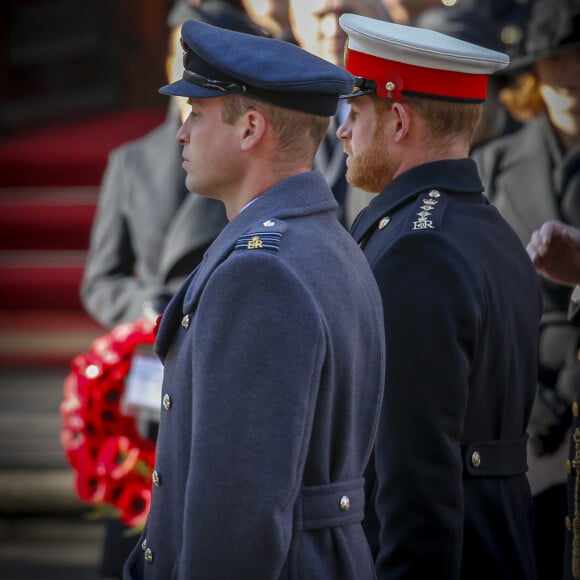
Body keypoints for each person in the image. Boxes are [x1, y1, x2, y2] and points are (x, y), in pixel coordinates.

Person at [122, 18, 386, 579]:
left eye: (196, 113)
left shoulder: (258, 275)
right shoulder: (328, 240)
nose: (181, 133)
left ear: (250, 130)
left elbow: (235, 519)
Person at [336, 13, 542, 579]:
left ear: (398, 120)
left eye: (355, 112)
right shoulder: (488, 229)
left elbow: (414, 484)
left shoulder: (413, 252)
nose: (342, 131)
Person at [80, 2, 268, 578]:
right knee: (141, 513)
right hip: (147, 363)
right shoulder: (131, 161)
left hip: (224, 350)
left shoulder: (244, 157)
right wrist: (143, 312)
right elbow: (100, 276)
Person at [472, 1, 580, 576]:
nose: (574, 81)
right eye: (561, 64)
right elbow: (478, 294)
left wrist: (568, 394)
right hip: (516, 404)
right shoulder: (491, 165)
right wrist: (529, 399)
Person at [287, 0, 384, 226]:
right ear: (294, 22)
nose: (333, 31)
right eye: (320, 16)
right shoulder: (276, 106)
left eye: (346, 15)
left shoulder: (398, 105)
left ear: (376, 16)